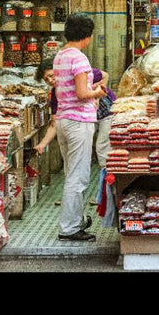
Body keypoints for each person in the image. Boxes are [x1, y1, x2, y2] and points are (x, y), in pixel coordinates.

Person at [50, 14, 106, 242]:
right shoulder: (80, 58)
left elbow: (68, 89)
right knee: (78, 176)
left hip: (63, 119)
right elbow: (83, 94)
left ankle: (77, 219)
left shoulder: (60, 56)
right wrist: (98, 92)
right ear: (88, 37)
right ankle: (70, 228)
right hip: (79, 122)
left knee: (70, 173)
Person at [37, 58, 115, 203]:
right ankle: (72, 197)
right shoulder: (56, 93)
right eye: (47, 79)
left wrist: (97, 92)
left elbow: (104, 75)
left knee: (102, 150)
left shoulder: (79, 75)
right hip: (86, 119)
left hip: (106, 113)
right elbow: (55, 123)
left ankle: (105, 197)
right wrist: (42, 144)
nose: (51, 80)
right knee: (73, 159)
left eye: (52, 75)